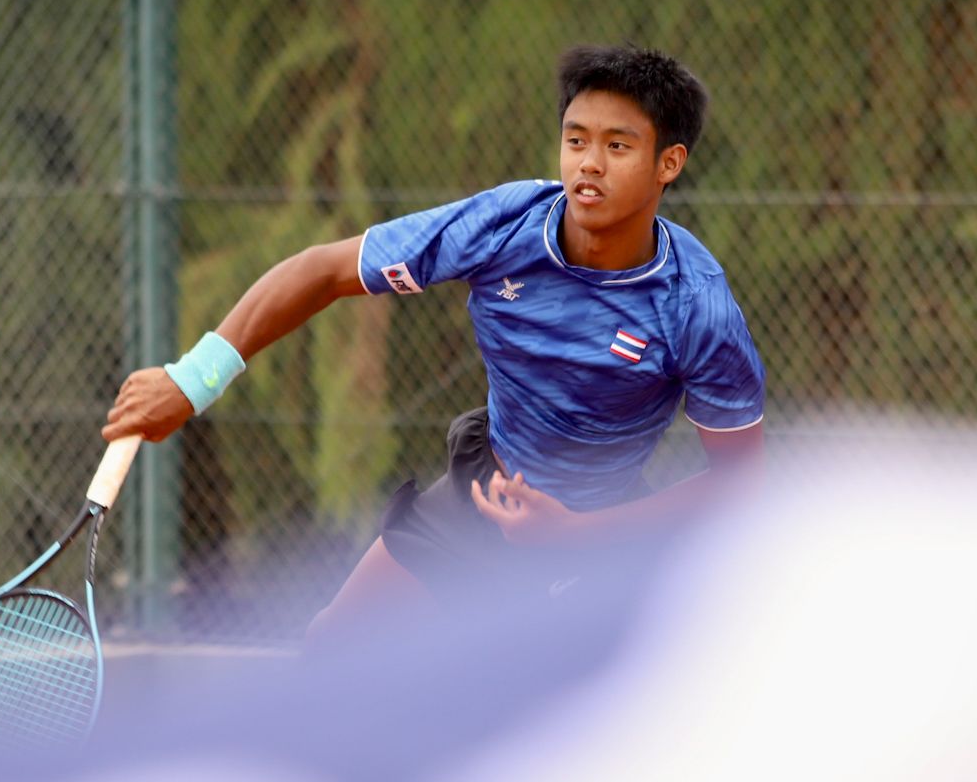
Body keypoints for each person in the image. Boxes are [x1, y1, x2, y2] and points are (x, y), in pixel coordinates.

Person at [102, 44, 766, 649]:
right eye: (576, 140)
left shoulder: (696, 306)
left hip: (602, 532)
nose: (589, 163)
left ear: (667, 164)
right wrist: (195, 380)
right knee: (331, 647)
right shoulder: (503, 224)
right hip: (481, 493)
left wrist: (575, 532)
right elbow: (322, 271)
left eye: (618, 146)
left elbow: (740, 481)